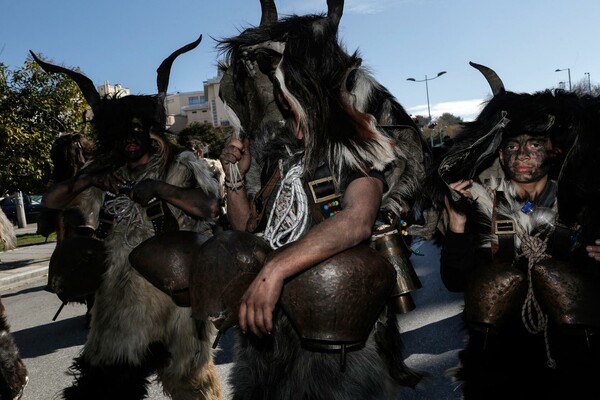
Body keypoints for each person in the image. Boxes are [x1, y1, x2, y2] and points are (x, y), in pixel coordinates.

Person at [33, 37, 223, 400]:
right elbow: (52, 200)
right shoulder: (103, 169)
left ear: (152, 130)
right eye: (123, 134)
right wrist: (88, 179)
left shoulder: (179, 163)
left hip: (176, 298)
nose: (131, 140)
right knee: (104, 388)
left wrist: (160, 188)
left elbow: (210, 209)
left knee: (194, 387)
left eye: (139, 131)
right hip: (120, 304)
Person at [433, 62, 600, 400]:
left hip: (575, 361)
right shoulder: (479, 206)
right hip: (496, 364)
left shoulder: (581, 206)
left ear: (552, 151)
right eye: (512, 146)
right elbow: (455, 281)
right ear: (500, 153)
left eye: (534, 144)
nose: (522, 153)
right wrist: (457, 224)